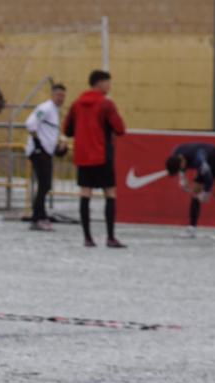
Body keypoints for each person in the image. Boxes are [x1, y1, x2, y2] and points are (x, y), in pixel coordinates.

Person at [64, 69, 127, 248]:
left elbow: (67, 129)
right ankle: (110, 237)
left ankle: (88, 238)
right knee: (110, 193)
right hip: (102, 154)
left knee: (85, 193)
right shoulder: (106, 104)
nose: (109, 86)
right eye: (108, 82)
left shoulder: (76, 104)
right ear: (100, 83)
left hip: (83, 156)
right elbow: (120, 129)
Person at [167, 142, 215, 239]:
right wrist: (182, 178)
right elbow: (181, 168)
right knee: (195, 192)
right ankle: (191, 229)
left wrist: (206, 192)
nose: (183, 169)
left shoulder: (199, 159)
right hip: (208, 162)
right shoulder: (176, 153)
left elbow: (209, 177)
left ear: (182, 162)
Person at [24, 83, 66, 231]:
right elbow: (30, 123)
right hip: (39, 151)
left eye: (63, 96)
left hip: (47, 151)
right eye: (58, 95)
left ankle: (40, 215)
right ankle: (38, 218)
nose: (61, 98)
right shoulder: (46, 108)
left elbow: (50, 131)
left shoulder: (55, 111)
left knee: (45, 185)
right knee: (44, 184)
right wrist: (37, 144)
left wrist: (59, 143)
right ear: (52, 94)